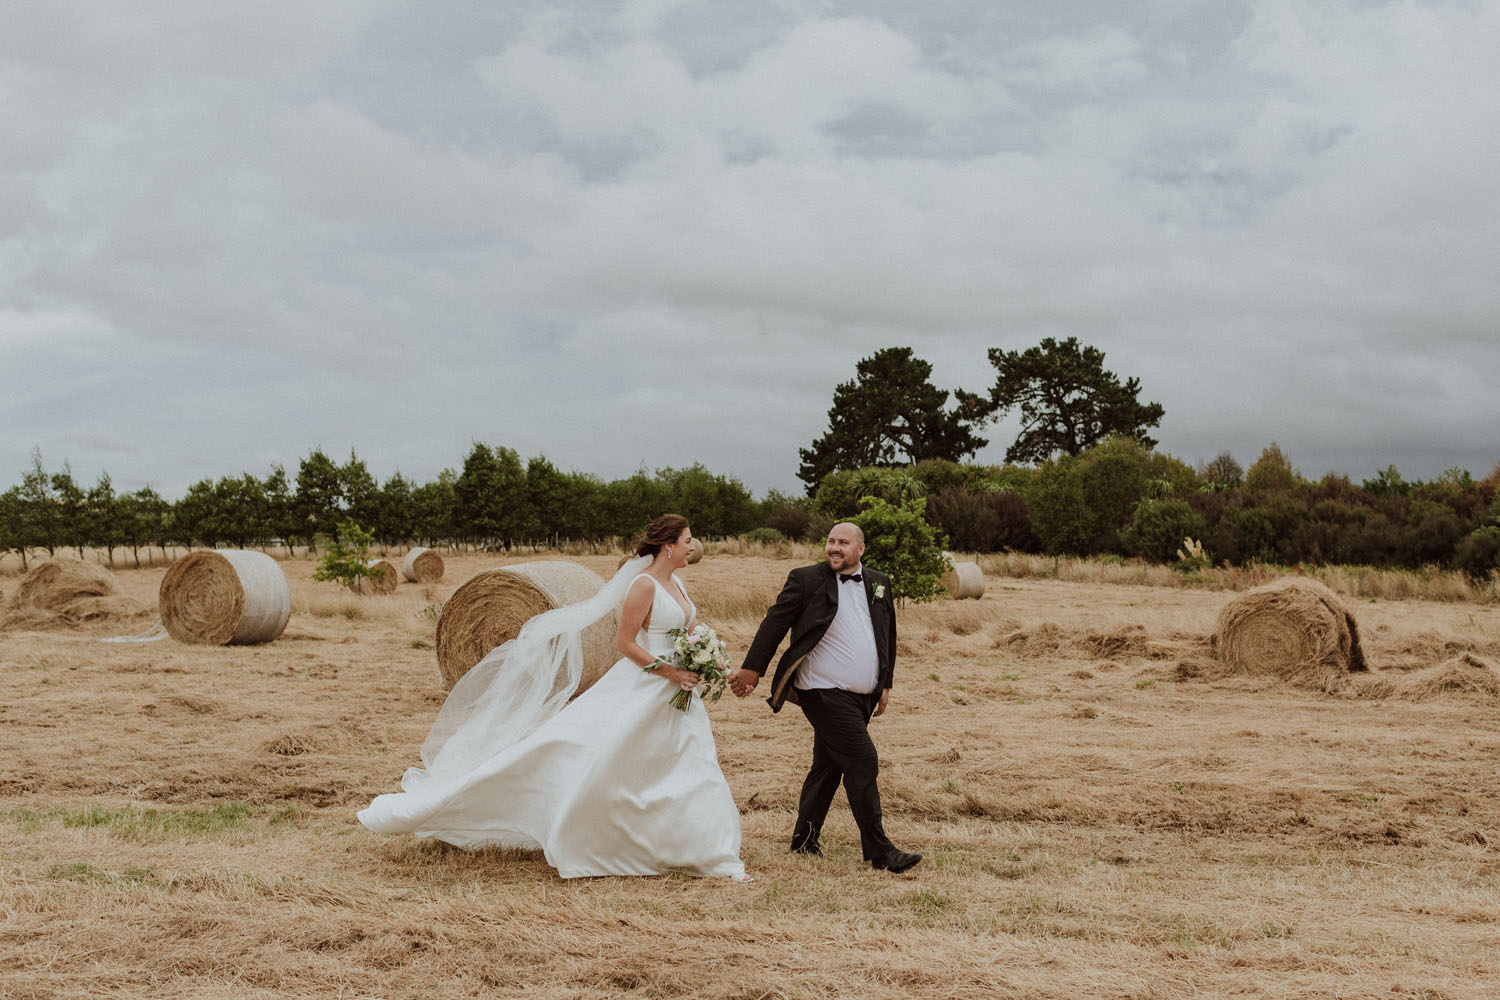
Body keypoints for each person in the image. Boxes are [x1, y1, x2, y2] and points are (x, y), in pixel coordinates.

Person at [359, 514, 748, 881]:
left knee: (688, 763)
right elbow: (625, 643)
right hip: (648, 685)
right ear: (667, 546)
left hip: (681, 693)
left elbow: (695, 633)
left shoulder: (677, 584)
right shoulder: (643, 585)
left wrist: (718, 667)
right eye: (686, 540)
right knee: (599, 757)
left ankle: (697, 845)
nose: (692, 546)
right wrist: (671, 672)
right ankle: (597, 831)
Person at [730, 522, 921, 873]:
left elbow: (887, 635)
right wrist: (752, 668)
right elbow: (775, 622)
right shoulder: (805, 579)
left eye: (843, 542)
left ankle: (804, 840)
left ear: (860, 549)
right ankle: (880, 851)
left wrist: (885, 684)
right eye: (831, 541)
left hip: (861, 696)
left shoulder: (879, 583)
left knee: (828, 766)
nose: (834, 547)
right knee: (862, 760)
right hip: (821, 690)